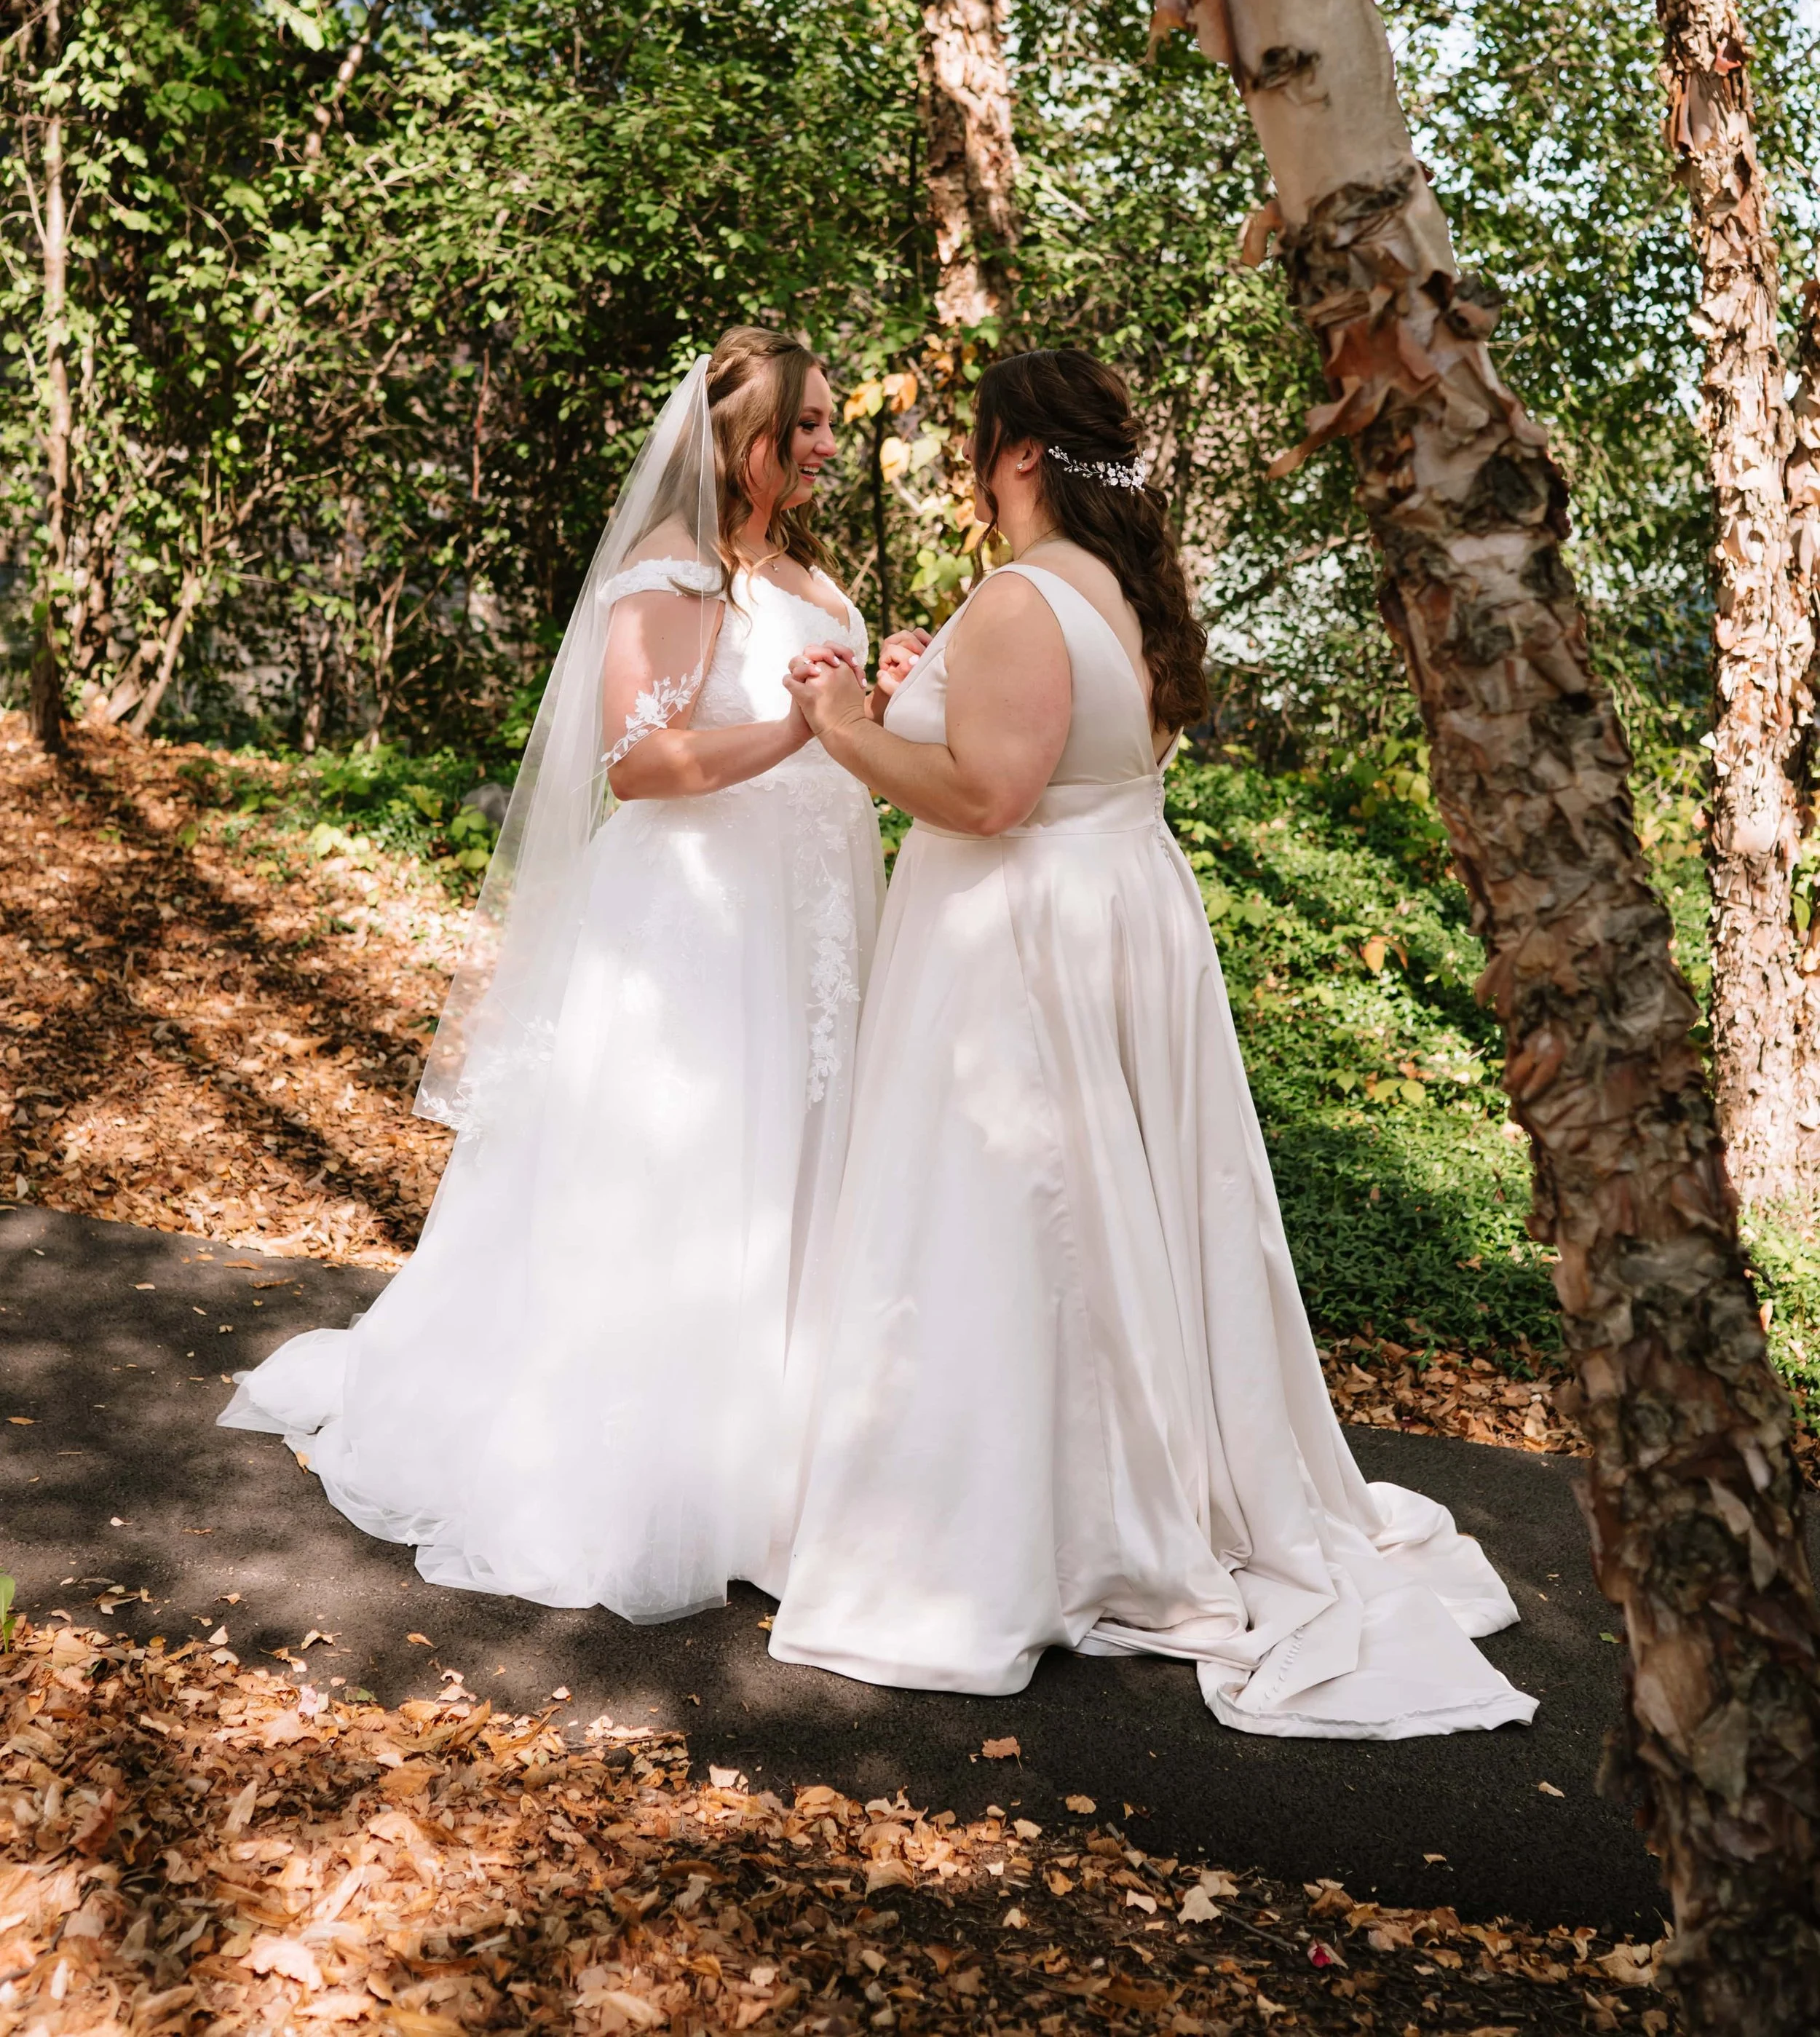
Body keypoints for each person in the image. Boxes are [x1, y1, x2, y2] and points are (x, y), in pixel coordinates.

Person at [767, 347, 1537, 1739]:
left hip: (1015, 949)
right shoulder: (1120, 589)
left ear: (1017, 453)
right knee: (1111, 1219)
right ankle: (1120, 1478)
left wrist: (837, 723)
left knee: (1009, 1224)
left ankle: (1002, 1526)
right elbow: (1058, 747)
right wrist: (919, 691)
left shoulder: (1018, 593)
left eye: (976, 442)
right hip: (1118, 921)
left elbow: (993, 796)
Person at [221, 329, 897, 1620]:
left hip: (808, 916)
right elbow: (641, 765)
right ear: (737, 437)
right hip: (700, 922)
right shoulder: (673, 569)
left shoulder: (807, 570)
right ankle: (646, 1473)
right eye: (801, 425)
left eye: (824, 423)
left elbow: (832, 728)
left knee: (798, 1165)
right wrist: (805, 726)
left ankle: (772, 1467)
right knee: (688, 1167)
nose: (823, 443)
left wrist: (882, 698)